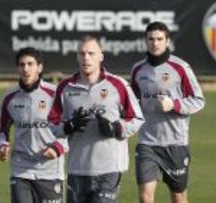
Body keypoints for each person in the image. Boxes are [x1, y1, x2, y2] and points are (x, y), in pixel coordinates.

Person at [48, 35, 144, 203]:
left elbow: (136, 118)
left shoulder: (118, 85)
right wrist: (69, 126)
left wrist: (116, 129)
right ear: (77, 56)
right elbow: (52, 123)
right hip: (77, 170)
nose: (86, 58)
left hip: (109, 169)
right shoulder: (65, 87)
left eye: (91, 53)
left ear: (101, 56)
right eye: (82, 53)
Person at [130, 21, 205, 203]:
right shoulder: (138, 70)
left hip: (175, 143)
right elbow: (131, 103)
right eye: (151, 39)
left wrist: (175, 105)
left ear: (167, 41)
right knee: (145, 197)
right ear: (145, 41)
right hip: (147, 142)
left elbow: (199, 101)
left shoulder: (181, 68)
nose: (155, 43)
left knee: (178, 197)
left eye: (159, 39)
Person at [0, 47, 67, 203]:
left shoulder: (55, 94)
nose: (25, 69)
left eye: (30, 64)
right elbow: (1, 130)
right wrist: (2, 146)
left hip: (50, 171)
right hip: (21, 171)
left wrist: (57, 148)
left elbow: (69, 129)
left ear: (39, 68)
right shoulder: (9, 98)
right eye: (21, 65)